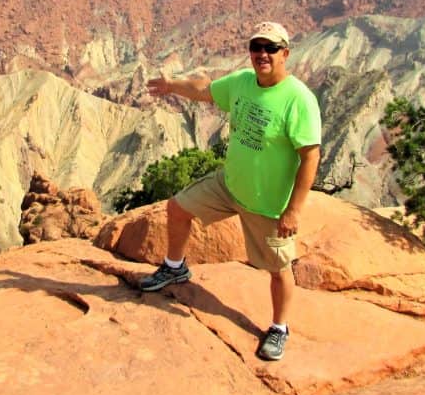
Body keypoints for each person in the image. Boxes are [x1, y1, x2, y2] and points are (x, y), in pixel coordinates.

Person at [138, 21, 322, 361]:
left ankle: (279, 328)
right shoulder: (241, 83)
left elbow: (310, 156)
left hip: (267, 203)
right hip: (229, 184)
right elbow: (205, 90)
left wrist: (294, 210)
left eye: (270, 48)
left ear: (285, 53)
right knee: (178, 208)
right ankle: (175, 266)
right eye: (256, 47)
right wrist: (171, 85)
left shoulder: (299, 99)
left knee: (279, 267)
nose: (262, 54)